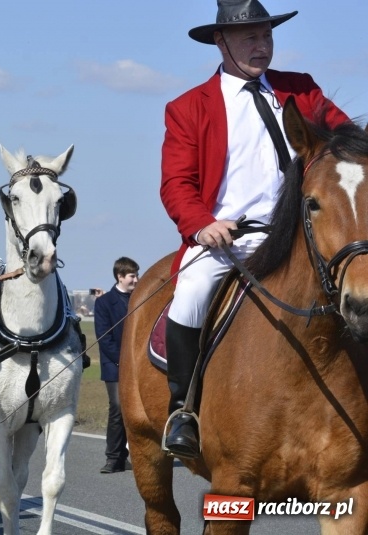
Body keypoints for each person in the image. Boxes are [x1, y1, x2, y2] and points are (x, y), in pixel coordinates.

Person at [160, 0, 350, 458]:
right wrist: (202, 225)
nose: (262, 45)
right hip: (230, 239)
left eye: (266, 36)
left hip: (301, 236)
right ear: (220, 42)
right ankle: (182, 408)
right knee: (190, 293)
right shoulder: (188, 107)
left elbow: (346, 142)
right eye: (250, 37)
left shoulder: (301, 90)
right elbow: (176, 183)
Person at [94, 257, 139, 474]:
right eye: (132, 276)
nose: (136, 280)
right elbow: (104, 339)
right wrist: (124, 362)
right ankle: (113, 458)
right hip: (115, 365)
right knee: (118, 407)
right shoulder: (103, 303)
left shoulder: (141, 298)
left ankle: (129, 455)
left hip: (139, 364)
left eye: (137, 275)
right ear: (120, 277)